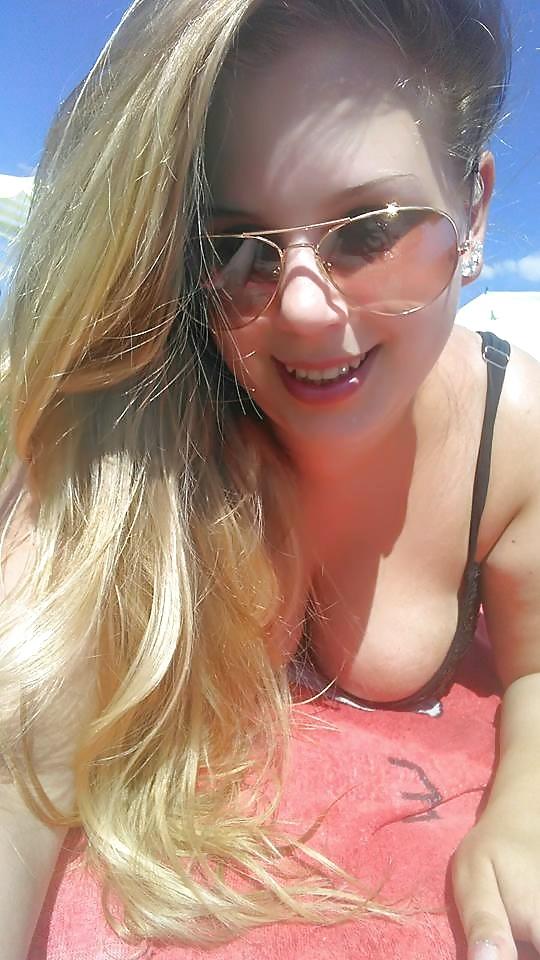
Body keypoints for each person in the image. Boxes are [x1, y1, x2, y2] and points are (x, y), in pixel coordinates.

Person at [1, 0, 539, 957]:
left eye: (368, 231)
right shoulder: (152, 433)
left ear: (476, 208)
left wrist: (527, 802)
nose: (302, 309)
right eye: (238, 250)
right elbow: (19, 754)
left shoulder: (517, 438)